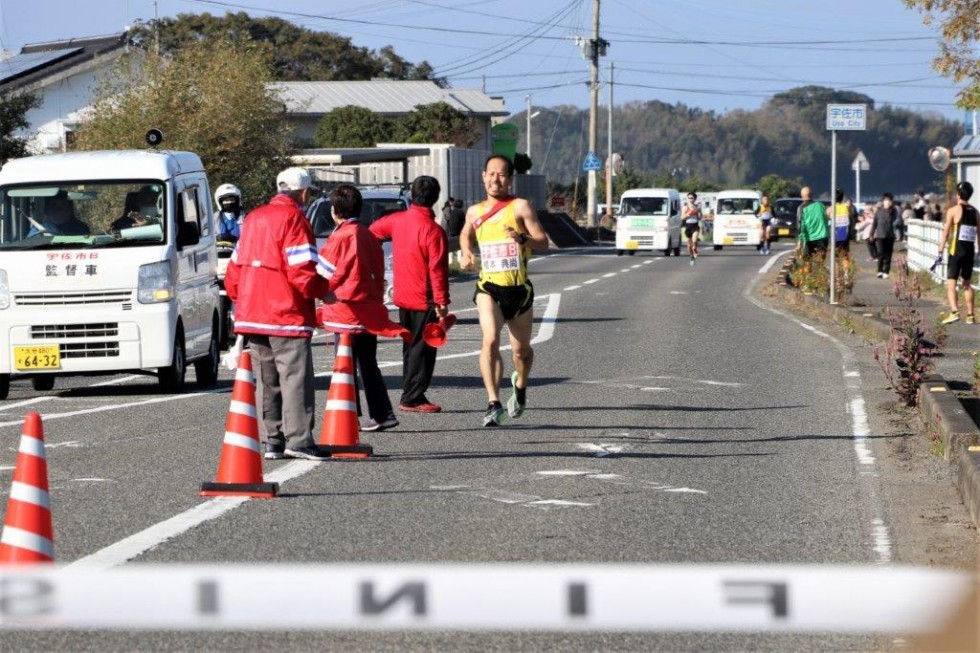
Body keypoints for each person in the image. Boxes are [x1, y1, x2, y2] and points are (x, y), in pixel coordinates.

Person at [224, 167, 330, 462]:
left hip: (251, 312)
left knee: (266, 379)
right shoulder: (295, 219)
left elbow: (234, 269)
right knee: (294, 378)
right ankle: (299, 439)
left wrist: (239, 297)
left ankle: (273, 439)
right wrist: (326, 290)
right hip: (285, 312)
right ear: (304, 193)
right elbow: (302, 273)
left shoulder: (254, 218)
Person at [459, 155, 548, 427]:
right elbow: (466, 234)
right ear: (483, 176)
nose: (495, 179)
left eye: (501, 175)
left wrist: (522, 239)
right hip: (489, 287)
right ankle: (493, 402)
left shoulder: (520, 207)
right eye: (491, 173)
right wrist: (465, 252)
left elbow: (544, 242)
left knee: (521, 352)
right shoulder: (474, 212)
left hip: (518, 290)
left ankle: (520, 387)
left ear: (510, 179)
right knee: (490, 340)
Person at [319, 184, 403, 431]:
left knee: (344, 365)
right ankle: (383, 413)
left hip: (345, 308)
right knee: (368, 362)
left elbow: (329, 272)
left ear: (335, 211)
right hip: (369, 307)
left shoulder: (340, 237)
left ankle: (348, 415)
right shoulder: (367, 234)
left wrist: (319, 292)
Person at [370, 175, 450, 413]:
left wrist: (375, 260)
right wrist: (442, 302)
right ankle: (413, 397)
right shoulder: (433, 231)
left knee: (410, 346)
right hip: (424, 297)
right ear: (435, 198)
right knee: (423, 348)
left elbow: (372, 231)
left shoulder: (397, 220)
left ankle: (411, 392)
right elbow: (437, 270)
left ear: (412, 196)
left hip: (403, 294)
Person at [937, 181, 979, 325]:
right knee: (967, 284)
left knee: (951, 284)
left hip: (956, 251)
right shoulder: (975, 212)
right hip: (969, 252)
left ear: (958, 194)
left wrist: (940, 251)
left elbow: (946, 233)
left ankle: (954, 312)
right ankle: (970, 315)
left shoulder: (953, 211)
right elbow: (979, 235)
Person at [871, 192, 898, 279]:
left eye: (889, 200)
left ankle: (886, 271)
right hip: (880, 235)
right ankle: (879, 270)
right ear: (883, 201)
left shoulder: (893, 211)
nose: (887, 202)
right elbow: (874, 223)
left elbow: (893, 218)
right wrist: (871, 234)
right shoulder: (878, 211)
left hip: (890, 236)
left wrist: (889, 208)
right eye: (886, 200)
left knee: (888, 254)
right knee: (880, 253)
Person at [796, 186, 828, 257]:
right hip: (823, 237)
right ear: (811, 194)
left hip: (809, 239)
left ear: (801, 196)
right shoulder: (821, 205)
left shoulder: (801, 208)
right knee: (820, 262)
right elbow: (827, 219)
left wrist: (800, 241)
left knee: (807, 261)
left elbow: (800, 226)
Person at [682, 191, 702, 264]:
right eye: (689, 198)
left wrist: (699, 214)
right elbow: (682, 217)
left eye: (692, 198)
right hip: (688, 226)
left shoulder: (697, 207)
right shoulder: (685, 207)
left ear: (695, 199)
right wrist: (688, 214)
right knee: (689, 245)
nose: (690, 199)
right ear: (687, 199)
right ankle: (691, 256)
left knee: (694, 240)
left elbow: (700, 217)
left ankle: (695, 248)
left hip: (695, 226)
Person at [829, 188, 850, 253]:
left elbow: (828, 217)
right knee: (845, 255)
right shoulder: (846, 207)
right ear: (842, 197)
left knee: (837, 255)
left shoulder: (832, 208)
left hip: (836, 235)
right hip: (845, 235)